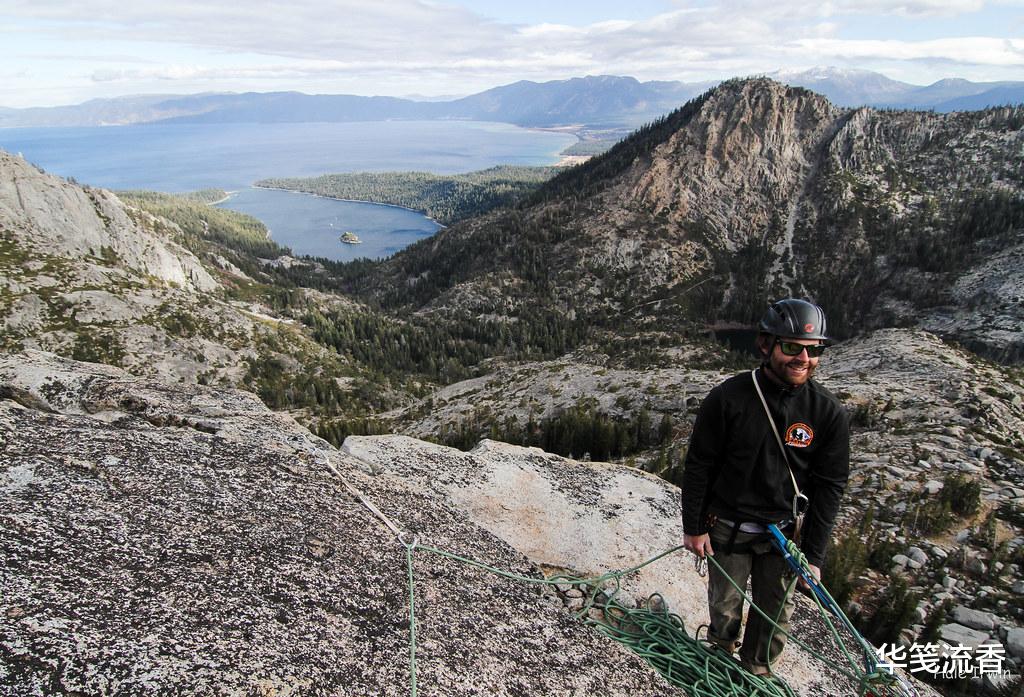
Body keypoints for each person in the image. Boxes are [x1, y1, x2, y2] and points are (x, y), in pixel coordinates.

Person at [681, 298, 850, 675]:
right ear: (765, 345)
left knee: (775, 614)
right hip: (728, 527)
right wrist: (694, 527)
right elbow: (699, 465)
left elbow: (829, 488)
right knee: (724, 605)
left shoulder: (827, 413)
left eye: (814, 350)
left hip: (784, 534)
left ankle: (757, 671)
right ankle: (720, 656)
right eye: (792, 347)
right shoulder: (728, 398)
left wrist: (814, 557)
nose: (804, 358)